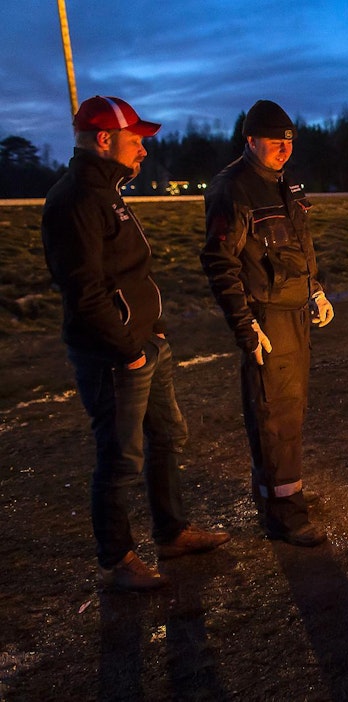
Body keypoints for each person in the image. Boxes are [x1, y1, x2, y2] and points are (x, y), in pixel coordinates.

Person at [41, 95, 230, 591]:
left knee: (167, 436)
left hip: (145, 342)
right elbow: (85, 292)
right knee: (121, 457)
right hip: (114, 357)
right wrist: (128, 351)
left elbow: (127, 272)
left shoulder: (107, 190)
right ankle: (117, 558)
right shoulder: (77, 198)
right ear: (105, 140)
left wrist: (156, 329)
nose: (144, 150)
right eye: (136, 140)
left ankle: (171, 532)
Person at [200, 100, 333, 547]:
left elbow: (301, 242)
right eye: (275, 142)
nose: (283, 150)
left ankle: (280, 502)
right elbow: (221, 263)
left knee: (289, 411)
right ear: (250, 140)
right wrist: (245, 325)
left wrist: (314, 289)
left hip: (295, 312)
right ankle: (285, 517)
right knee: (273, 415)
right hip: (266, 316)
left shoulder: (285, 183)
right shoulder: (232, 189)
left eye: (289, 143)